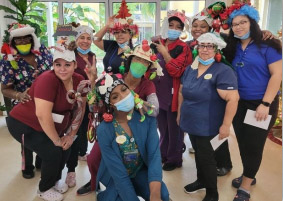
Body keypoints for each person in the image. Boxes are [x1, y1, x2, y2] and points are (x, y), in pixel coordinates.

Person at [6, 41, 89, 201]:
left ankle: (54, 181)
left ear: (74, 65)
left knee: (66, 147)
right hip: (23, 123)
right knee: (53, 152)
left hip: (48, 124)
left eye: (67, 64)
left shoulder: (79, 80)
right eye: (57, 64)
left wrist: (70, 135)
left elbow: (80, 109)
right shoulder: (47, 80)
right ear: (53, 65)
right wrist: (56, 140)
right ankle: (43, 189)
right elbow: (43, 115)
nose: (62, 69)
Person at [77, 40, 162, 195]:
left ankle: (135, 184)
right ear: (129, 61)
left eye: (145, 62)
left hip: (136, 130)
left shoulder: (147, 85)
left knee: (137, 161)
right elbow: (93, 105)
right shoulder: (115, 78)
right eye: (137, 59)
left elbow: (154, 110)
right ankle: (94, 182)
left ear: (149, 67)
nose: (140, 64)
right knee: (94, 159)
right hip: (111, 127)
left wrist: (133, 99)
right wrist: (93, 83)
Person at [221, 2, 282, 201]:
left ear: (252, 22)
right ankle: (249, 173)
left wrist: (265, 104)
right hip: (238, 103)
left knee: (254, 145)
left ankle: (246, 186)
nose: (239, 27)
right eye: (235, 24)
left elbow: (277, 75)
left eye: (243, 22)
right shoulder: (232, 46)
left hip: (261, 104)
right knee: (244, 143)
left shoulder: (268, 44)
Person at [177, 33, 239, 201]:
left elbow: (233, 98)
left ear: (216, 49)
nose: (205, 49)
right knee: (199, 154)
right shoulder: (191, 68)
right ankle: (201, 180)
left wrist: (226, 125)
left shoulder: (223, 71)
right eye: (201, 45)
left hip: (209, 124)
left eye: (209, 46)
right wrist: (180, 113)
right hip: (191, 121)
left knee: (207, 158)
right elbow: (182, 92)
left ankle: (212, 192)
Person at [93, 73, 169, 201]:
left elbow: (154, 156)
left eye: (124, 90)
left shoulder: (146, 119)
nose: (123, 97)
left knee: (162, 195)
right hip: (114, 177)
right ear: (110, 104)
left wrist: (155, 196)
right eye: (115, 96)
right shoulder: (105, 130)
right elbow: (118, 174)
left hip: (139, 171)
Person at [0, 23, 53, 179]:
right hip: (24, 103)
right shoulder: (8, 60)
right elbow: (5, 89)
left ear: (32, 39)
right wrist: (19, 96)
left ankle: (41, 159)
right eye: (19, 40)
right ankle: (27, 165)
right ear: (13, 42)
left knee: (45, 132)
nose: (23, 43)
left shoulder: (43, 52)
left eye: (26, 39)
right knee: (26, 137)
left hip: (46, 101)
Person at [152, 10, 192, 171]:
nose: (174, 29)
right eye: (171, 25)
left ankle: (174, 158)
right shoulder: (157, 43)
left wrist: (165, 53)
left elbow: (177, 71)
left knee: (174, 128)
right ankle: (163, 153)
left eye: (178, 26)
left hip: (175, 93)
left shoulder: (183, 48)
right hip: (158, 92)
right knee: (162, 127)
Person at [64, 24, 96, 188]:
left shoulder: (93, 56)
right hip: (70, 101)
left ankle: (82, 153)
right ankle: (71, 170)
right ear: (76, 39)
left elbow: (93, 80)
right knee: (72, 133)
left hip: (85, 100)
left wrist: (92, 98)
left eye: (88, 38)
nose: (85, 41)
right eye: (82, 37)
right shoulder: (68, 55)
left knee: (84, 127)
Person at [93, 3, 138, 74]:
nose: (119, 35)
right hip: (106, 83)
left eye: (123, 32)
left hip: (121, 84)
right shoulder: (112, 45)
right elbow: (95, 39)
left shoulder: (134, 52)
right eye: (116, 32)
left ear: (130, 35)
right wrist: (106, 26)